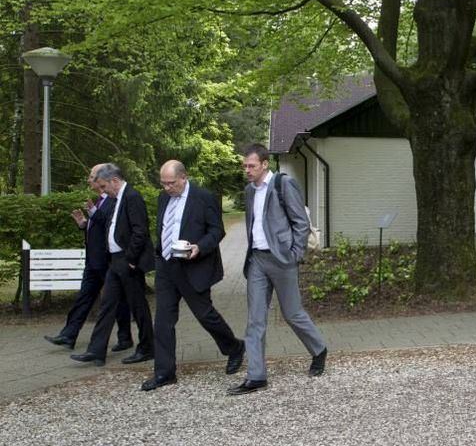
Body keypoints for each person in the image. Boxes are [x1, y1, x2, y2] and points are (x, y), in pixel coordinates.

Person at [230, 144, 328, 395]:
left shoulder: (283, 184)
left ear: (265, 164)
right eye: (245, 166)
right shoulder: (249, 191)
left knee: (292, 313)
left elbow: (300, 222)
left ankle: (318, 349)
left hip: (283, 260)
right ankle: (256, 375)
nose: (247, 170)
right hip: (257, 262)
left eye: (251, 166)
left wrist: (295, 255)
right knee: (255, 319)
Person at [141, 161, 245, 391]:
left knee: (205, 316)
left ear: (183, 177)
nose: (167, 188)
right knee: (163, 322)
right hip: (167, 267)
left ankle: (234, 347)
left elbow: (217, 230)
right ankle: (164, 373)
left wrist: (199, 247)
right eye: (163, 183)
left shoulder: (203, 197)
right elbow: (163, 226)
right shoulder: (163, 197)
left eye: (171, 183)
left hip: (193, 267)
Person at [70, 163, 154, 366]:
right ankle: (96, 351)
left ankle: (147, 347)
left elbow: (140, 231)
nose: (102, 190)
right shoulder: (117, 198)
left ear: (114, 181)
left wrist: (132, 260)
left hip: (127, 260)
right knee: (107, 304)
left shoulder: (132, 197)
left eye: (104, 186)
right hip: (115, 261)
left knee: (138, 305)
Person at [44, 164, 133, 352]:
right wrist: (84, 224)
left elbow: (110, 225)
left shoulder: (113, 199)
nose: (89, 180)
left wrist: (93, 214)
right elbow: (99, 228)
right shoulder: (98, 200)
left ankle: (125, 338)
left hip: (105, 261)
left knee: (115, 301)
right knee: (83, 298)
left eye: (92, 176)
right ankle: (69, 335)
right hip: (92, 261)